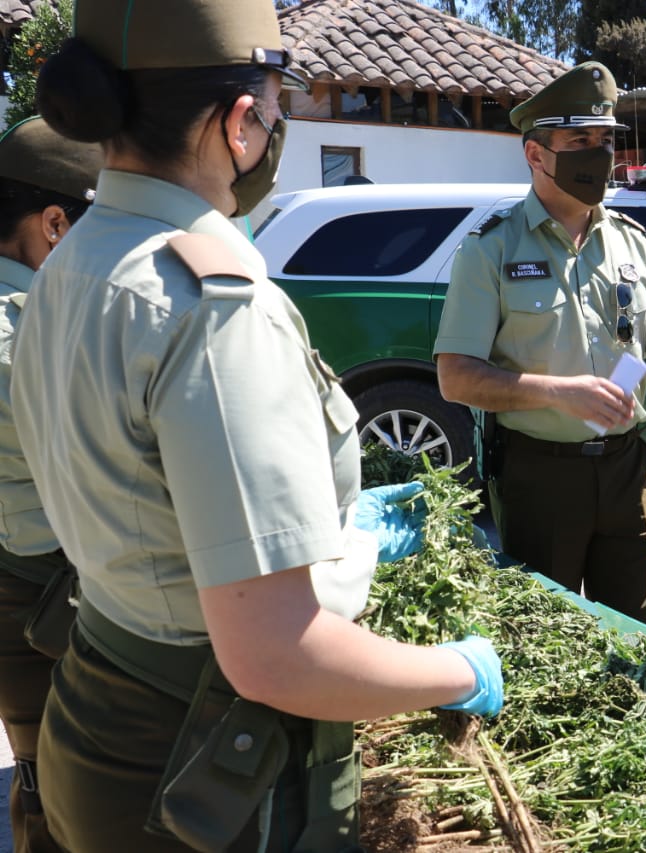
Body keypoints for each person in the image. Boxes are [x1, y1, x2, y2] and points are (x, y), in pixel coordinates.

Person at [12, 2, 503, 851]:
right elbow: (275, 655)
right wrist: (458, 671)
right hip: (203, 775)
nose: (276, 128)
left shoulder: (77, 258)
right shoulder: (213, 307)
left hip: (101, 705)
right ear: (240, 124)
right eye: (278, 105)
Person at [434, 62, 646, 629]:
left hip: (629, 470)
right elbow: (456, 378)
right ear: (536, 155)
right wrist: (558, 393)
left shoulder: (634, 242)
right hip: (540, 478)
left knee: (639, 640)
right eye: (580, 140)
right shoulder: (491, 251)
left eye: (606, 140)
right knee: (548, 637)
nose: (599, 154)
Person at [0, 116, 101, 853]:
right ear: (55, 223)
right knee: (66, 794)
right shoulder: (28, 335)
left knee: (39, 780)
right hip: (42, 598)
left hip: (26, 593)